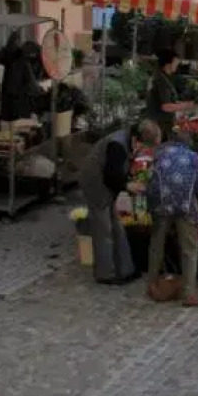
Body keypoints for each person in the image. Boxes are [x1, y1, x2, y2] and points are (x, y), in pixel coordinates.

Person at [79, 119, 160, 285]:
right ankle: (106, 274)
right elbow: (111, 175)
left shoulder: (128, 141)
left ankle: (125, 269)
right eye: (147, 147)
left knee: (117, 226)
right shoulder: (117, 145)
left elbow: (119, 172)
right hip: (96, 182)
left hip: (106, 181)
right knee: (104, 229)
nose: (146, 151)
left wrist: (127, 181)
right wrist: (127, 185)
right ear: (139, 140)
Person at [146, 129, 198, 307]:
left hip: (161, 203)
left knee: (156, 243)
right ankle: (189, 294)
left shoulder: (160, 154)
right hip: (184, 204)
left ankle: (152, 285)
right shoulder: (194, 158)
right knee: (189, 247)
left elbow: (151, 180)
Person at [146, 48, 193, 137]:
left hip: (162, 125)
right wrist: (190, 105)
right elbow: (166, 106)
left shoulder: (162, 77)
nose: (177, 64)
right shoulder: (160, 80)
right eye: (175, 62)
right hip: (159, 127)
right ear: (168, 64)